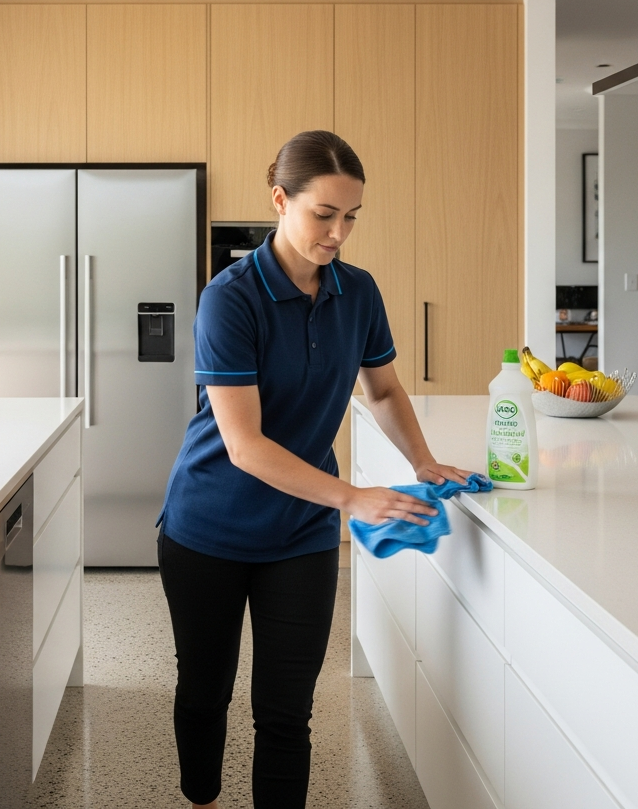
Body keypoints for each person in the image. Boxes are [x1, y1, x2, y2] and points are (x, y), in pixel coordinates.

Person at [156, 130, 473, 808]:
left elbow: (382, 389)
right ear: (280, 199)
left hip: (298, 535)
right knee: (205, 690)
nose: (339, 233)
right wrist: (352, 497)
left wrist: (423, 459)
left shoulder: (357, 293)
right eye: (323, 214)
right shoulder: (230, 299)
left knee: (286, 711)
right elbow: (244, 446)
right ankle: (202, 801)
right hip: (206, 528)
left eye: (351, 216)